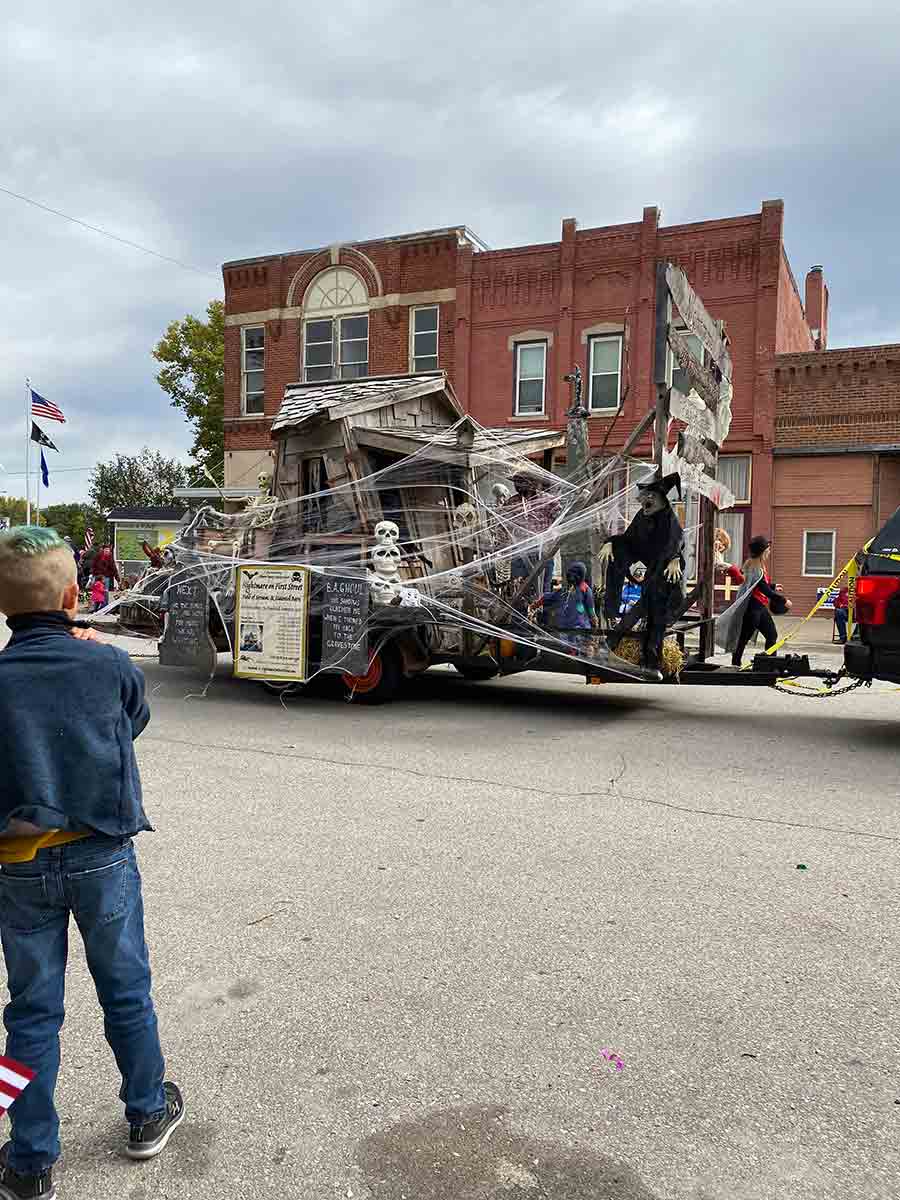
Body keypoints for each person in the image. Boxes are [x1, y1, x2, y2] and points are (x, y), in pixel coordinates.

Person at [0, 526, 184, 1199]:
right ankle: (145, 1112)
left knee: (30, 1011)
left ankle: (29, 1159)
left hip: (17, 870)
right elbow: (131, 720)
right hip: (102, 855)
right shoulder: (106, 664)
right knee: (126, 989)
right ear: (76, 593)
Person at [728, 535, 792, 667]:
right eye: (767, 550)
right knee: (743, 639)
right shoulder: (754, 567)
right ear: (762, 551)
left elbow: (758, 584)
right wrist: (783, 600)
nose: (769, 552)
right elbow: (763, 588)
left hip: (759, 607)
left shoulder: (757, 564)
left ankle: (770, 664)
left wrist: (773, 586)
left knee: (771, 635)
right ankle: (735, 664)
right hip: (752, 608)